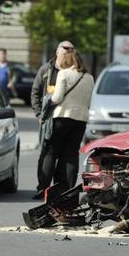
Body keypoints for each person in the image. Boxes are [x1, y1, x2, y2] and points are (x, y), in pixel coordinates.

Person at [41, 50, 94, 195]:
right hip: (80, 120)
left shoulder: (63, 74)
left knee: (51, 152)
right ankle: (69, 189)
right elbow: (88, 102)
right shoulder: (89, 78)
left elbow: (57, 98)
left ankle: (44, 187)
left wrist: (48, 99)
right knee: (71, 154)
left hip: (62, 117)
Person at [31, 41, 75, 199]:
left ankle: (61, 190)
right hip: (48, 119)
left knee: (65, 156)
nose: (67, 55)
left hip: (67, 119)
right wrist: (38, 114)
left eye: (70, 52)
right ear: (57, 52)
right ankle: (42, 188)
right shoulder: (46, 70)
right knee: (47, 154)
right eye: (65, 51)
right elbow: (35, 92)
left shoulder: (74, 72)